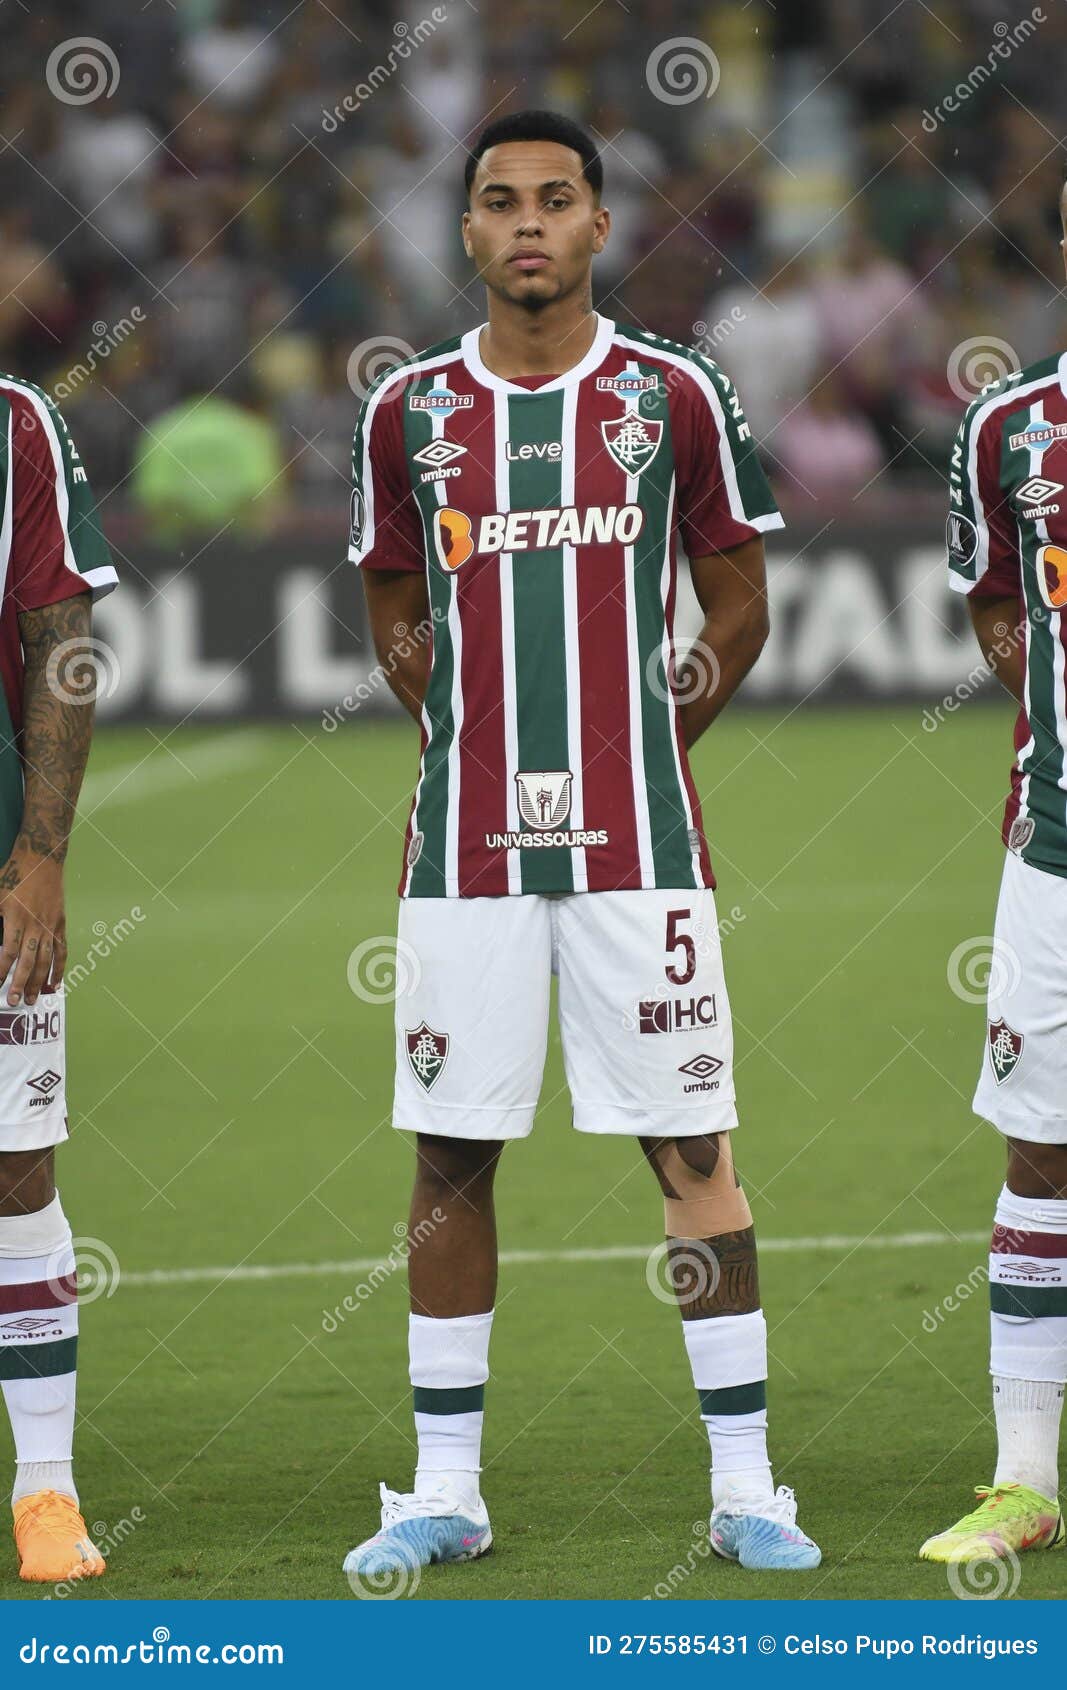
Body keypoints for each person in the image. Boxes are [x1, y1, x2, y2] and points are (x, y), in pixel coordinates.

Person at [344, 110, 821, 1582]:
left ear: (600, 227)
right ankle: (441, 1490)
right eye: (500, 202)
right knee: (448, 1157)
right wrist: (467, 736)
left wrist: (650, 740)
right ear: (468, 231)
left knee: (690, 1145)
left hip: (640, 852)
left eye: (558, 200)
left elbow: (733, 601)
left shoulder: (671, 395)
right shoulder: (408, 413)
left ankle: (746, 1486)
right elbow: (392, 611)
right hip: (459, 863)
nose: (529, 223)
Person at [920, 178, 1067, 1567]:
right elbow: (989, 595)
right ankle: (1024, 1474)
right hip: (1057, 856)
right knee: (1038, 1147)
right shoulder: (1006, 429)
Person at [0, 376, 118, 1581]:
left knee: (14, 1169)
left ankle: (45, 1492)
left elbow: (61, 642)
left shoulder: (15, 424)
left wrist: (41, 851)